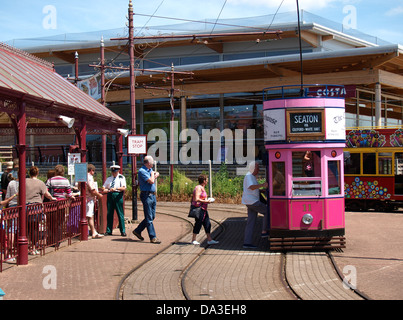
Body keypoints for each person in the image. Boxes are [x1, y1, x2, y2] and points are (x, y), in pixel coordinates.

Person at [26, 166, 56, 254]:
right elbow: (46, 194)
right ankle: (34, 247)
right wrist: (52, 198)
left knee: (27, 227)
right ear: (37, 173)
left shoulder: (24, 181)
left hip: (25, 206)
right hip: (36, 206)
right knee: (35, 227)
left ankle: (28, 245)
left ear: (29, 173)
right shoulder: (40, 183)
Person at [133, 155, 161, 244]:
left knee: (152, 216)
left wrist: (154, 174)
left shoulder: (149, 170)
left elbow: (155, 176)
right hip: (146, 195)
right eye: (152, 162)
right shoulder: (142, 171)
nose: (153, 163)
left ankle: (138, 230)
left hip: (152, 195)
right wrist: (153, 175)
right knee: (149, 218)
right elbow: (151, 181)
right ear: (148, 163)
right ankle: (153, 237)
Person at [242, 161, 268, 249]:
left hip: (249, 201)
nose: (259, 169)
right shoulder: (249, 176)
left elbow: (252, 188)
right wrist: (262, 185)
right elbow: (251, 187)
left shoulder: (251, 176)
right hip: (252, 201)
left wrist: (260, 190)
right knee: (267, 211)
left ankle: (247, 242)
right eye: (258, 168)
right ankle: (264, 231)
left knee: (251, 222)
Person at [190, 174, 219, 246]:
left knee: (207, 224)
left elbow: (202, 198)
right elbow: (196, 199)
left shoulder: (202, 188)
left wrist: (207, 200)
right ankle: (193, 239)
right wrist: (207, 201)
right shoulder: (198, 188)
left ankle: (209, 239)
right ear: (204, 181)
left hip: (204, 209)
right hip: (199, 209)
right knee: (198, 223)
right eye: (206, 180)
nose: (207, 181)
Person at [102, 164, 127, 236]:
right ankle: (109, 230)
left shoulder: (121, 177)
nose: (114, 173)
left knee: (120, 213)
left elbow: (123, 187)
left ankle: (123, 230)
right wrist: (106, 189)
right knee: (109, 213)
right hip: (110, 195)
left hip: (118, 195)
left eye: (115, 172)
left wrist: (116, 188)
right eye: (113, 172)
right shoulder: (109, 178)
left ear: (118, 171)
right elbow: (104, 186)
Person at [86, 164, 103, 239]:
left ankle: (93, 231)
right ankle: (93, 232)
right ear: (91, 170)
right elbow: (92, 190)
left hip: (86, 198)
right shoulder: (89, 177)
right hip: (89, 199)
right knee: (90, 216)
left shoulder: (83, 176)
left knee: (89, 216)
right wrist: (98, 195)